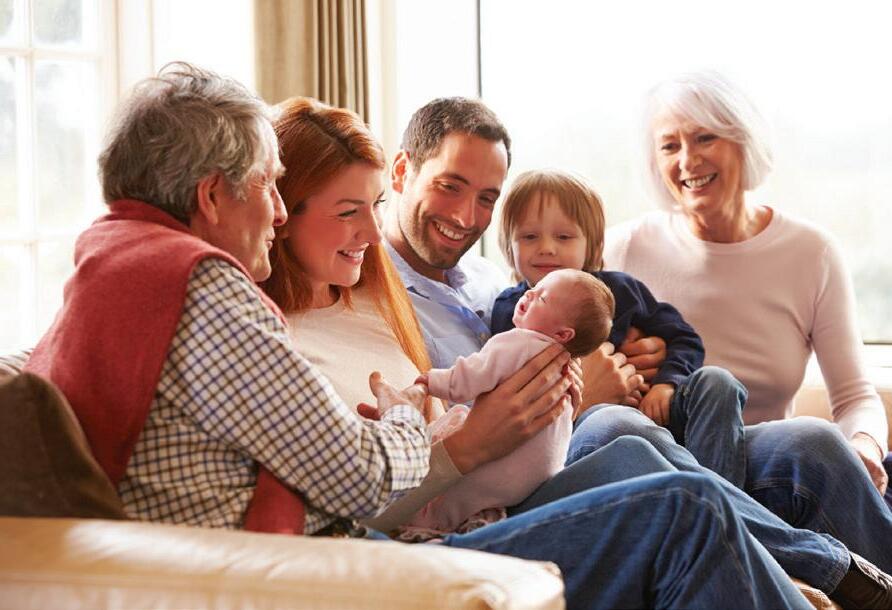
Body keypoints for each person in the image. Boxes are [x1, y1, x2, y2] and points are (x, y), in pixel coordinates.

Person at [258, 95, 823, 609]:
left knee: (799, 446)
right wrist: (489, 438)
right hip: (439, 523)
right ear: (281, 211)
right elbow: (346, 507)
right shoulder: (278, 343)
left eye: (373, 205)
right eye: (347, 212)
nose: (373, 231)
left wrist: (616, 363)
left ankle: (802, 571)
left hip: (503, 476)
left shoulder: (385, 297)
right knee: (658, 471)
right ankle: (788, 570)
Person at [381, 95, 892, 607]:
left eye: (487, 198)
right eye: (449, 186)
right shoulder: (378, 296)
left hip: (625, 436)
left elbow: (601, 316)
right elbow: (451, 426)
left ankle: (871, 582)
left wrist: (655, 363)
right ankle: (803, 562)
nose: (467, 215)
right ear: (401, 172)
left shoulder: (488, 278)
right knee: (618, 428)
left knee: (810, 443)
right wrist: (585, 395)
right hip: (521, 472)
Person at [23, 62, 432, 536]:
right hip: (287, 561)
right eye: (267, 184)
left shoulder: (111, 257)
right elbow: (361, 477)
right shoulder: (200, 288)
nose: (279, 213)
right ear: (213, 196)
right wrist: (406, 416)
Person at [604, 70, 892, 498]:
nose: (688, 160)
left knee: (815, 442)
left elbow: (854, 398)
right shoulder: (623, 249)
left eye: (705, 138)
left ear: (744, 141)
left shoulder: (812, 253)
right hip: (663, 467)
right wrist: (617, 365)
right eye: (670, 146)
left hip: (769, 468)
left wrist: (864, 446)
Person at [490, 169, 748, 488]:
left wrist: (667, 384)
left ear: (593, 245)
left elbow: (683, 337)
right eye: (529, 237)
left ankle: (723, 494)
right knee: (617, 423)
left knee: (718, 381)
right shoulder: (511, 309)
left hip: (659, 411)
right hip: (590, 430)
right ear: (508, 246)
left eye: (564, 237)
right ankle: (713, 502)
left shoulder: (620, 291)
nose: (546, 248)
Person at [407, 269, 612, 531]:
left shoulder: (517, 343)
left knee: (460, 481)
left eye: (542, 298)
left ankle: (431, 522)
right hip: (544, 475)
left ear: (563, 334)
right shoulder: (567, 366)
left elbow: (469, 378)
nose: (529, 294)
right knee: (625, 432)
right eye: (533, 288)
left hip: (500, 469)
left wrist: (431, 382)